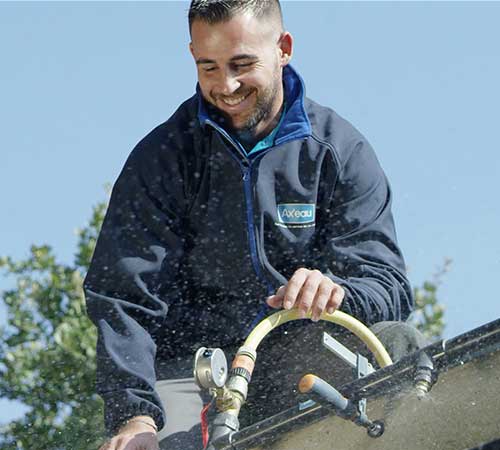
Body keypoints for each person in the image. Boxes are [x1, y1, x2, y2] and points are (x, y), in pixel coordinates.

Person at [84, 1, 422, 449]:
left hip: (303, 354)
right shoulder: (161, 159)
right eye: (209, 67)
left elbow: (389, 286)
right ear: (192, 56)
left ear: (283, 48)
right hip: (193, 370)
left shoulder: (338, 152)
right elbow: (122, 296)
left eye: (242, 65)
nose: (226, 85)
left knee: (400, 345)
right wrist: (135, 418)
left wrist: (338, 291)